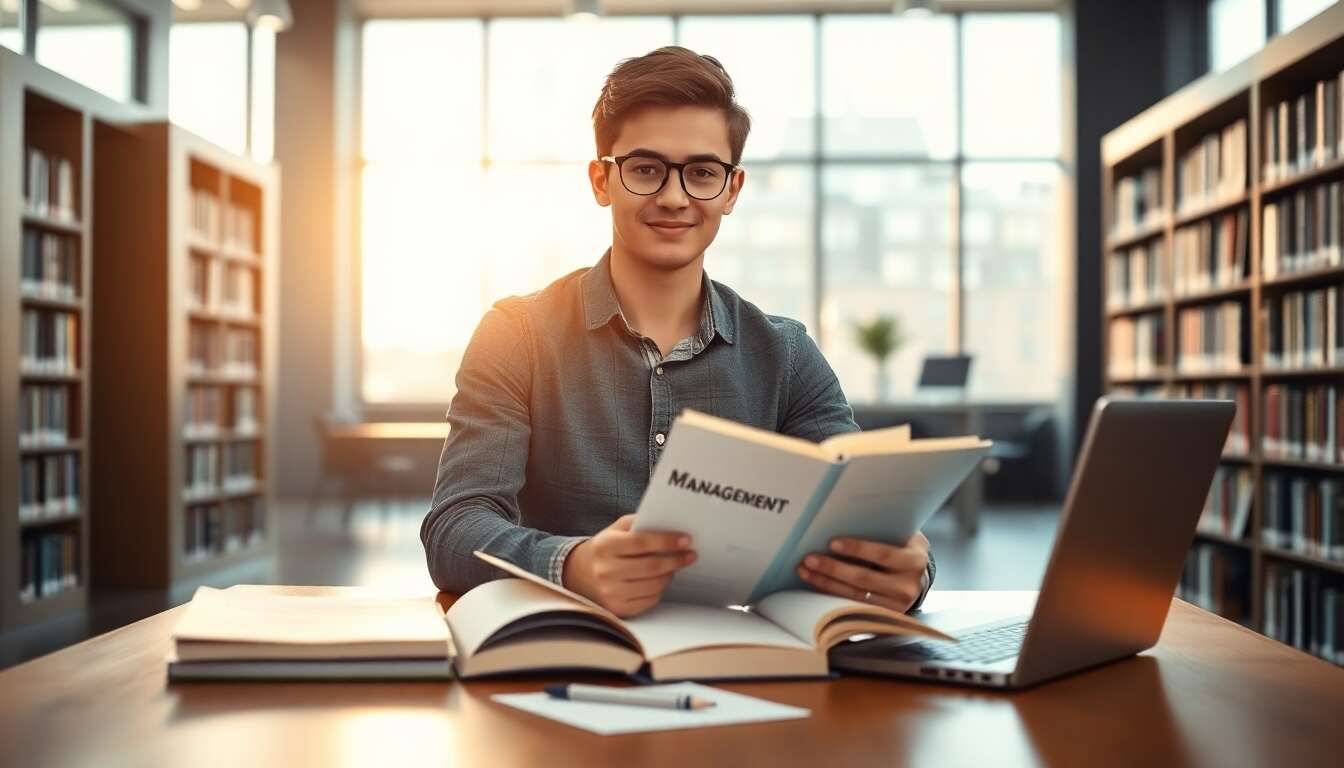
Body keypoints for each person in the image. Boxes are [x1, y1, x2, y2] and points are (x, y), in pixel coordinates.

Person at [422, 46, 933, 618]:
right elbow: (454, 528)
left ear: (732, 189)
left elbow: (867, 513)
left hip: (746, 671)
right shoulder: (515, 335)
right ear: (601, 180)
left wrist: (910, 570)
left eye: (702, 173)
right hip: (562, 658)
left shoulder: (786, 355)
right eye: (645, 169)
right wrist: (575, 565)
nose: (673, 197)